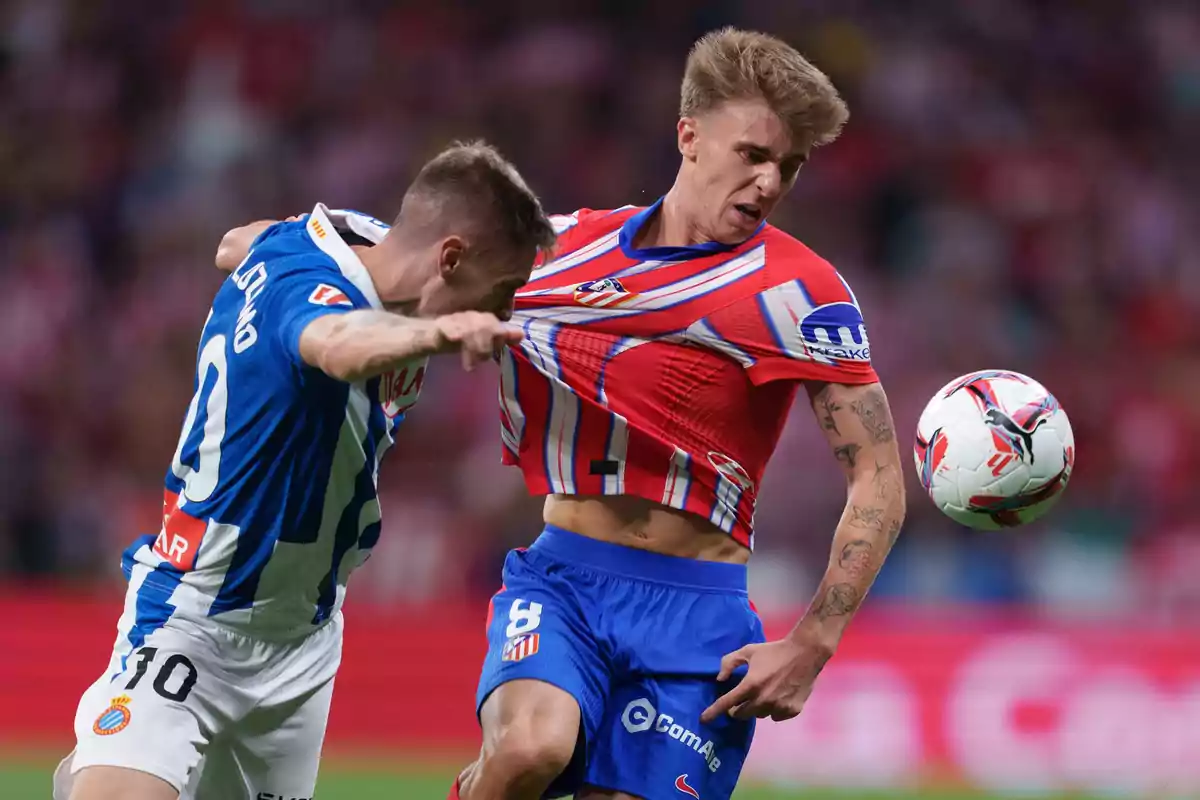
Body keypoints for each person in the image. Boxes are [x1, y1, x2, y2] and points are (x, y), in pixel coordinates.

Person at [456, 28, 907, 800]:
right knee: (529, 751)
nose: (769, 183)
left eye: (789, 167)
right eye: (755, 155)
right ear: (689, 137)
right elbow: (406, 271)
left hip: (700, 617)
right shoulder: (560, 248)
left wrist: (812, 643)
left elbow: (879, 476)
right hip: (564, 578)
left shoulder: (804, 295)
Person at [54, 141, 556, 800]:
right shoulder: (317, 294)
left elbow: (235, 242)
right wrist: (440, 334)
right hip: (196, 616)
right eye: (502, 292)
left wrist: (257, 251)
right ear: (451, 259)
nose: (502, 312)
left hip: (304, 643)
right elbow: (339, 346)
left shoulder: (360, 243)